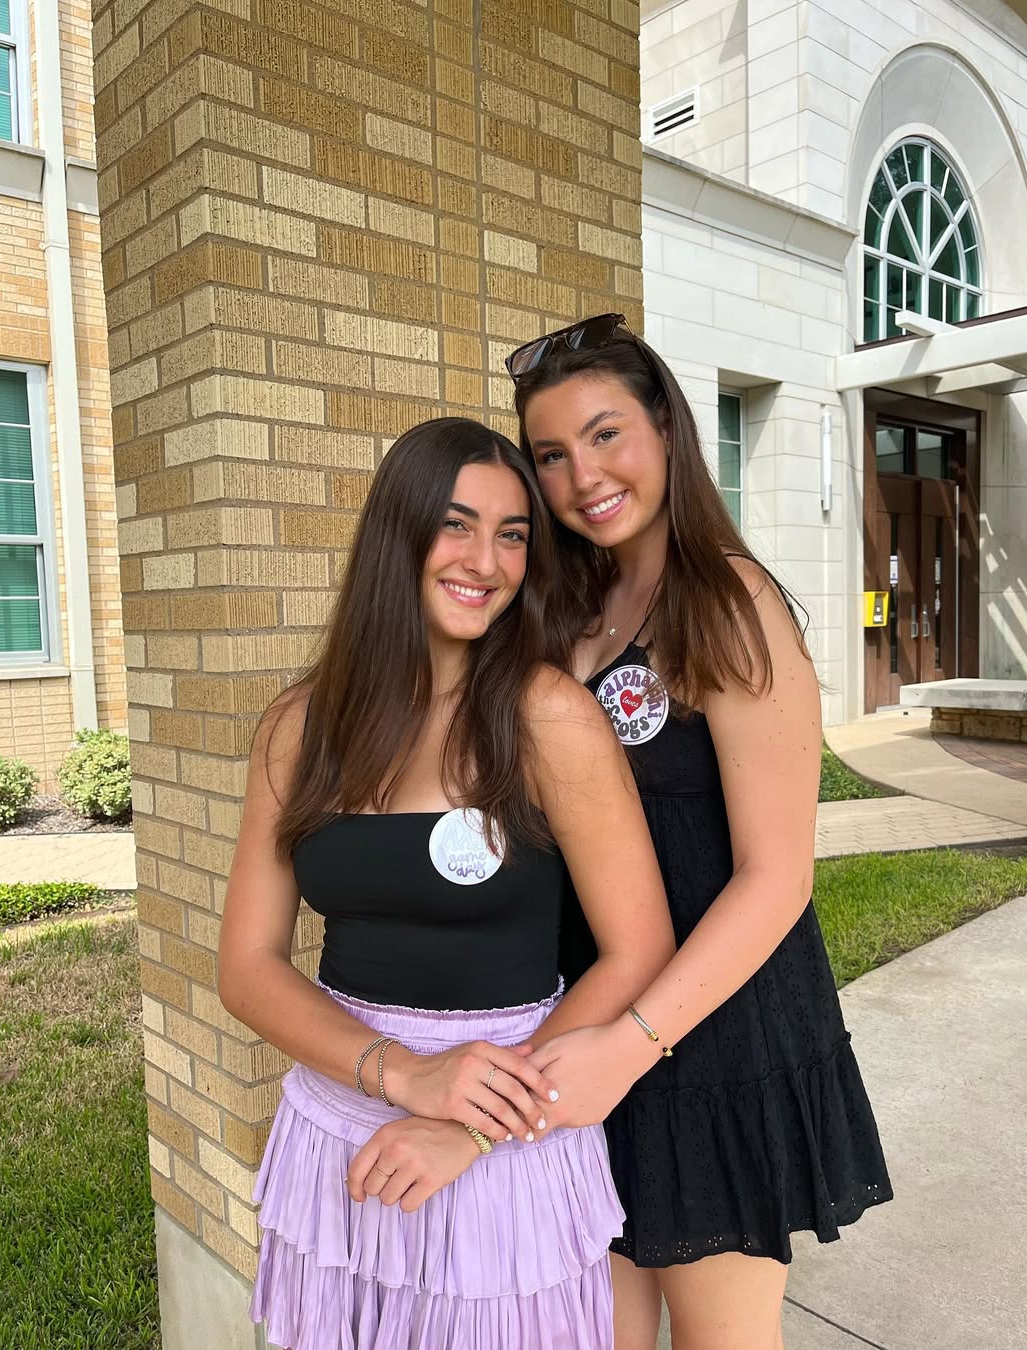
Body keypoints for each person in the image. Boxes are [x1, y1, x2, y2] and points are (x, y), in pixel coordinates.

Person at [217, 416, 675, 1350]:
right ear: (398, 533)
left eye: (512, 534)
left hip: (503, 1127)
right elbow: (247, 966)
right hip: (339, 1132)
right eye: (456, 525)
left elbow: (639, 950)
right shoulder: (300, 728)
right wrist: (404, 1073)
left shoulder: (547, 717)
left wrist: (471, 1128)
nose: (486, 561)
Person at [504, 314, 894, 1350]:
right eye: (552, 454)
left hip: (706, 1035)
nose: (583, 475)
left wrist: (630, 1048)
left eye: (606, 434)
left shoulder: (728, 601)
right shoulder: (566, 611)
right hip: (590, 1015)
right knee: (595, 1331)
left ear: (668, 431)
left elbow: (778, 877)